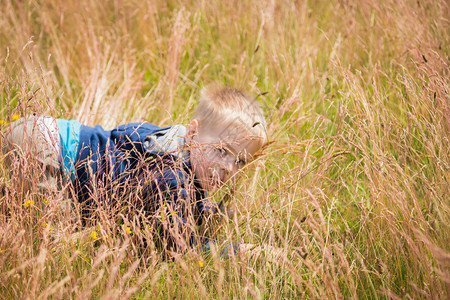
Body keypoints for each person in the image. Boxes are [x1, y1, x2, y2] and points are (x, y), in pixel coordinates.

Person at [2, 85, 267, 257]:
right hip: (46, 153)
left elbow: (124, 132)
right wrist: (237, 250)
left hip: (44, 132)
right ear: (193, 132)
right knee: (54, 244)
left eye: (240, 161)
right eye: (221, 151)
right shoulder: (172, 178)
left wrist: (211, 212)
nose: (228, 168)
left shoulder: (171, 142)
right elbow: (176, 248)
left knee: (22, 211)